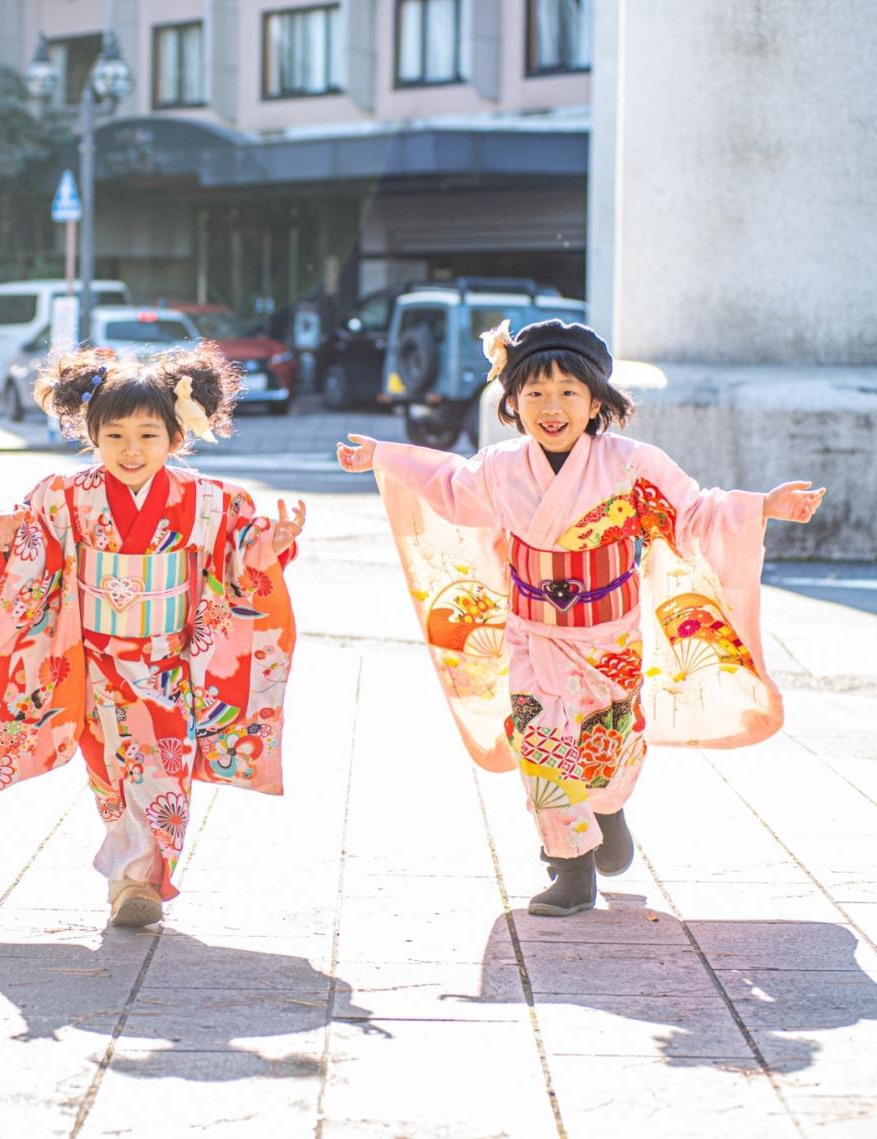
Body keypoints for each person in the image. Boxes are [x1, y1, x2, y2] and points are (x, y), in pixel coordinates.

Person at [336, 319, 825, 917]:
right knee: (541, 741)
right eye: (535, 392)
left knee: (609, 740)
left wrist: (763, 507)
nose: (552, 406)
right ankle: (568, 871)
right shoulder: (499, 466)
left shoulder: (633, 465)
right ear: (511, 401)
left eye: (569, 391)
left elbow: (693, 512)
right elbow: (448, 482)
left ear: (596, 400)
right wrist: (383, 456)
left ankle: (610, 810)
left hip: (608, 637)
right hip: (531, 632)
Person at [0, 347, 304, 927]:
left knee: (162, 765)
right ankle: (128, 868)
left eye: (148, 435)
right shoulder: (63, 495)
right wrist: (14, 536)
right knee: (108, 770)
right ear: (90, 433)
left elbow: (240, 556)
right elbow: (36, 552)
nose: (130, 450)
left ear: (177, 436)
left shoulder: (209, 499)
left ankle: (138, 881)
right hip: (90, 660)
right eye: (114, 434)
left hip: (168, 660)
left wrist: (271, 541)